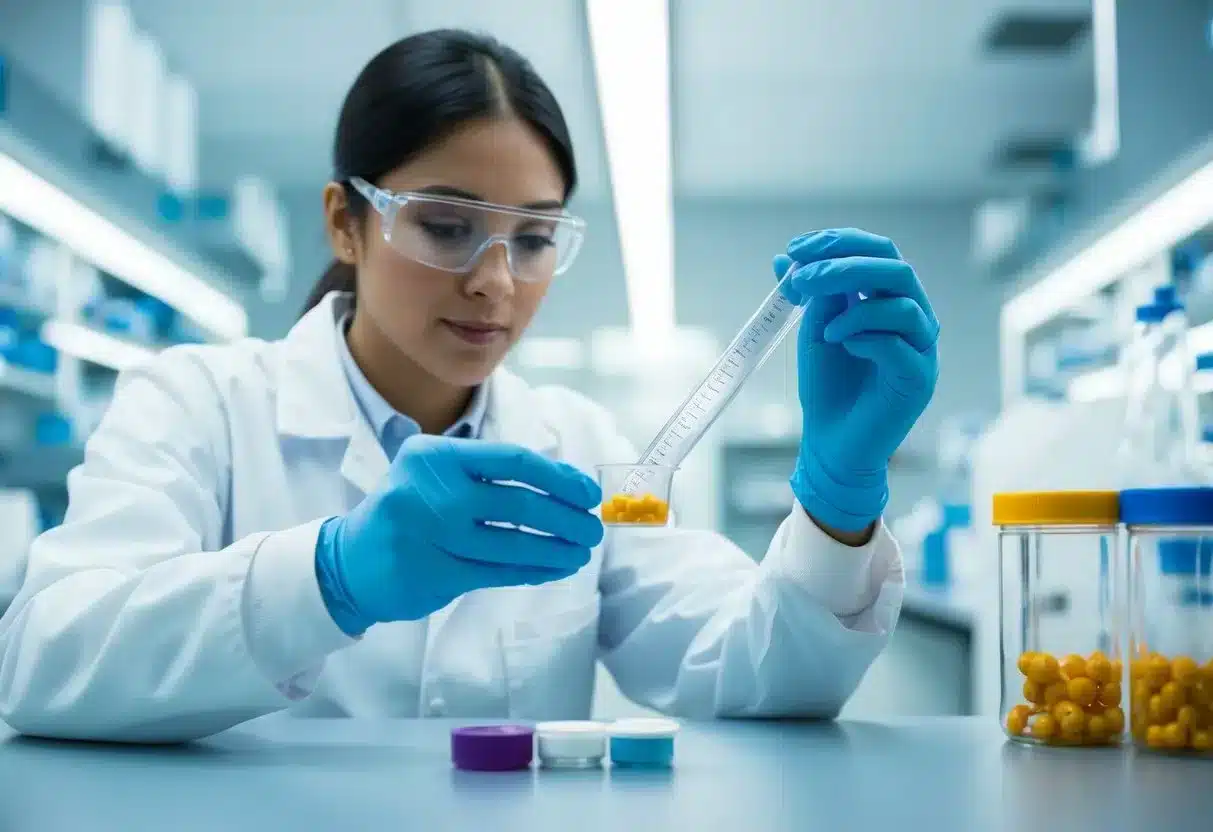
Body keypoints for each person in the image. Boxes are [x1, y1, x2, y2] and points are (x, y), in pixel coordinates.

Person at [0, 29, 939, 743]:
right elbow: (45, 662)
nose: (496, 281)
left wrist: (836, 505)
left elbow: (762, 678)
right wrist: (329, 575)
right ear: (344, 222)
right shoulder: (199, 404)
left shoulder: (573, 440)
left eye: (533, 237)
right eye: (447, 226)